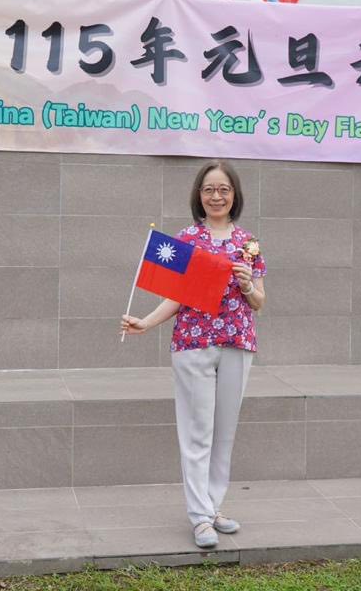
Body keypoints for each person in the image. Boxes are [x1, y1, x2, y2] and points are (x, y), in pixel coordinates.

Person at [120, 160, 267, 550]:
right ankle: (200, 517)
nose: (216, 196)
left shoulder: (249, 243)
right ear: (199, 195)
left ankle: (213, 507)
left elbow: (259, 301)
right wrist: (146, 323)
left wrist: (248, 285)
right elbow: (176, 297)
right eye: (209, 189)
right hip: (193, 344)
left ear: (234, 195)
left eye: (223, 189)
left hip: (237, 342)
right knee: (197, 432)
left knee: (224, 433)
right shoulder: (187, 239)